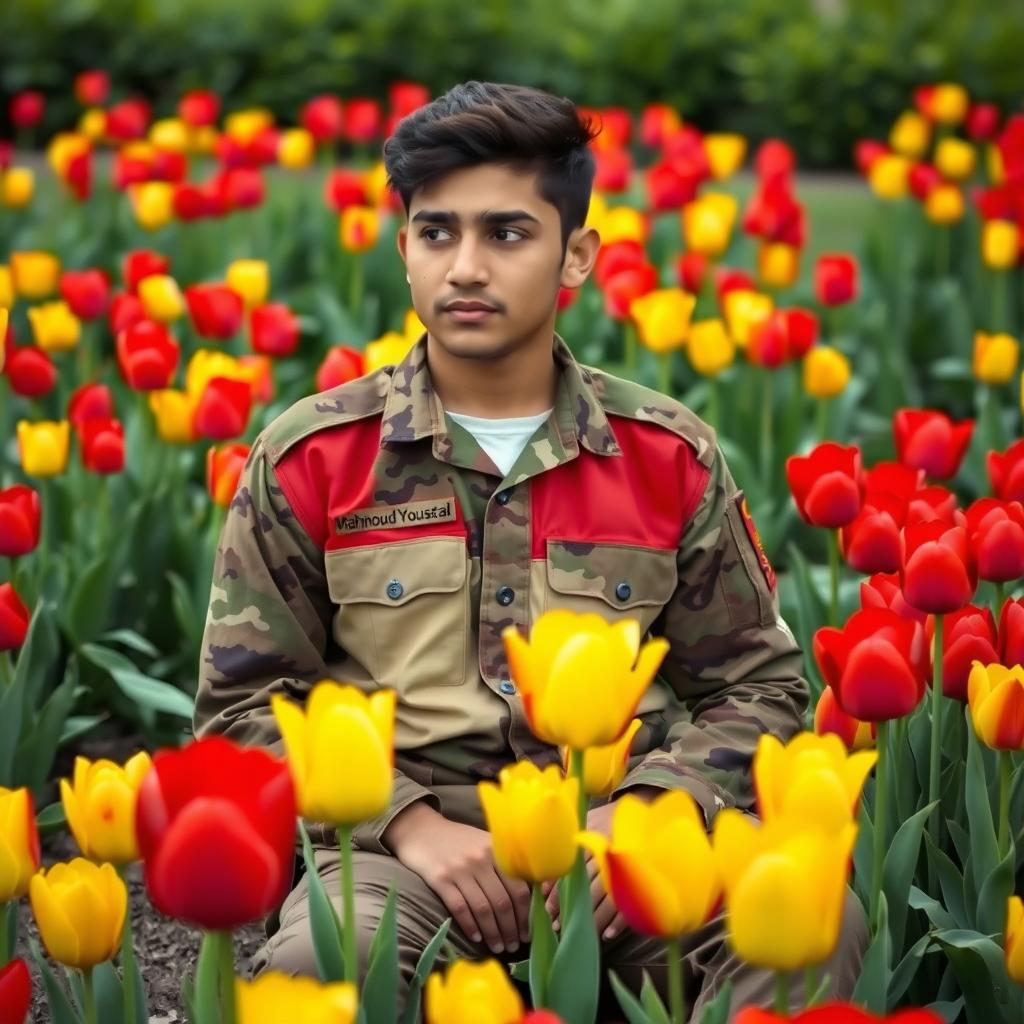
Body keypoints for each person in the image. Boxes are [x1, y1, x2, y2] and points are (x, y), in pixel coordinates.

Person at [193, 80, 866, 1019]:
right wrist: (410, 825)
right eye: (437, 233)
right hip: (405, 863)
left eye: (506, 234)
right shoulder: (315, 456)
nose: (465, 266)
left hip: (617, 854)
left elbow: (760, 686)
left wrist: (640, 814)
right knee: (315, 970)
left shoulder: (666, 455)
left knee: (816, 926)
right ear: (403, 250)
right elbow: (240, 703)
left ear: (576, 255)